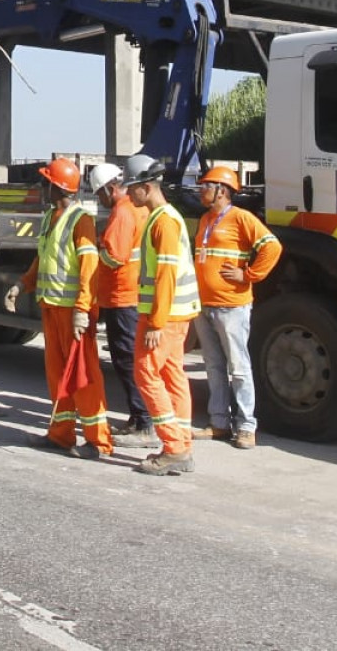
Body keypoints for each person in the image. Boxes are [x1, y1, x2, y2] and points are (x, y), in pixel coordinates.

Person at [14, 158, 112, 459]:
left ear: (57, 187)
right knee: (58, 375)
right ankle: (60, 435)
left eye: (45, 182)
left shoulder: (80, 220)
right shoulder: (49, 217)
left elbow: (89, 267)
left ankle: (98, 442)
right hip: (52, 307)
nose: (41, 187)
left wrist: (82, 309)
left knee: (84, 377)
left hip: (72, 313)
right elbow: (43, 258)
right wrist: (23, 284)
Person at [191, 166, 280, 449]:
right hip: (205, 305)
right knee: (214, 366)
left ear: (222, 190)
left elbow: (272, 247)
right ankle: (219, 422)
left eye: (207, 186)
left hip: (231, 306)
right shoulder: (206, 219)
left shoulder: (241, 217)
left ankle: (246, 426)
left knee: (238, 368)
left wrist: (249, 275)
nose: (201, 191)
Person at [126, 155, 200, 476]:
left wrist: (156, 322)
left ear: (146, 187)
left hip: (164, 317)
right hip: (175, 315)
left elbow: (166, 275)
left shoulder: (163, 222)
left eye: (132, 188)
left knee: (146, 374)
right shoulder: (164, 217)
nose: (128, 194)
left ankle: (174, 448)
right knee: (172, 376)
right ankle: (181, 444)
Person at [88, 161, 154, 446]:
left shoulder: (123, 211)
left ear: (110, 188)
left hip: (122, 295)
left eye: (98, 194)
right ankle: (139, 418)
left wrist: (96, 250)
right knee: (132, 358)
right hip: (132, 294)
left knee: (126, 359)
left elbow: (115, 256)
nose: (99, 200)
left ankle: (144, 422)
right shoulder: (138, 208)